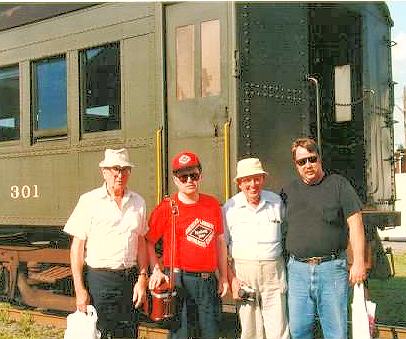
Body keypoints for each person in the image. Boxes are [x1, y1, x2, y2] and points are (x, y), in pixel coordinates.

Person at [282, 137, 367, 339]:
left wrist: (359, 262)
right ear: (296, 165)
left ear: (319, 159)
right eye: (302, 162)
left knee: (335, 333)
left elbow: (356, 223)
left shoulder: (338, 185)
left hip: (331, 270)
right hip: (298, 271)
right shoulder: (288, 191)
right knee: (299, 331)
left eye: (312, 159)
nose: (308, 165)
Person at [64, 148, 149, 339]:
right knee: (101, 333)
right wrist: (80, 290)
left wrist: (142, 279)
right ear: (104, 171)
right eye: (114, 169)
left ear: (130, 173)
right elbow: (77, 248)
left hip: (130, 280)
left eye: (125, 169)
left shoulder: (139, 202)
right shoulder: (89, 201)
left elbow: (141, 242)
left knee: (128, 334)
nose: (119, 174)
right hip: (100, 281)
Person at [146, 151, 229, 339]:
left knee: (211, 333)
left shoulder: (212, 204)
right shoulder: (167, 207)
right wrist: (156, 270)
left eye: (194, 175)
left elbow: (219, 242)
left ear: (201, 175)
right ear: (176, 180)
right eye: (184, 176)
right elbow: (148, 241)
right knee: (180, 335)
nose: (190, 180)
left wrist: (223, 276)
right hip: (179, 281)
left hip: (207, 282)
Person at [223, 158, 289, 339]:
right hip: (244, 274)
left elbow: (286, 234)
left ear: (263, 179)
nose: (253, 185)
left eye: (257, 178)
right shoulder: (230, 207)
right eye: (247, 180)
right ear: (239, 183)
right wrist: (232, 279)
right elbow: (222, 247)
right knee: (250, 330)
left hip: (273, 273)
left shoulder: (276, 202)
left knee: (279, 328)